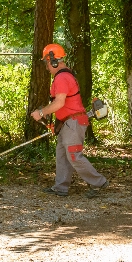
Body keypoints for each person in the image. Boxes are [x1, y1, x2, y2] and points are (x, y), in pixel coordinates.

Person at [30, 44, 108, 197]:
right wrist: (54, 119)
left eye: (47, 63)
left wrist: (41, 112)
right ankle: (61, 187)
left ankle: (99, 183)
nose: (46, 67)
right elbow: (61, 104)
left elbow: (59, 102)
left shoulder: (62, 77)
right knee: (62, 155)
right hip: (67, 123)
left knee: (74, 156)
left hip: (73, 123)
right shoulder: (63, 76)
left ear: (53, 61)